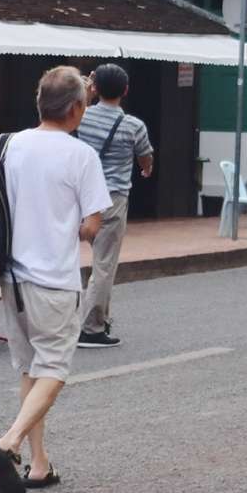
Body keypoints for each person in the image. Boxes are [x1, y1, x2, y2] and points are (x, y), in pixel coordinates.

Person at [0, 66, 110, 493]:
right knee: (54, 368)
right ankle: (10, 443)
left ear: (41, 103)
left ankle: (39, 465)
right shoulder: (80, 156)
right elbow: (93, 224)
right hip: (54, 279)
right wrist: (78, 227)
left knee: (30, 368)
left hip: (12, 278)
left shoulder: (12, 145)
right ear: (76, 109)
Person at [73, 63, 153, 349]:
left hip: (82, 199)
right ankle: (91, 328)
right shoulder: (134, 126)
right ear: (126, 91)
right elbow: (146, 158)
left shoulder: (81, 117)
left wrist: (87, 88)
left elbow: (74, 104)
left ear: (95, 88)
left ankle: (100, 320)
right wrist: (146, 170)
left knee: (96, 262)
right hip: (112, 199)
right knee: (104, 265)